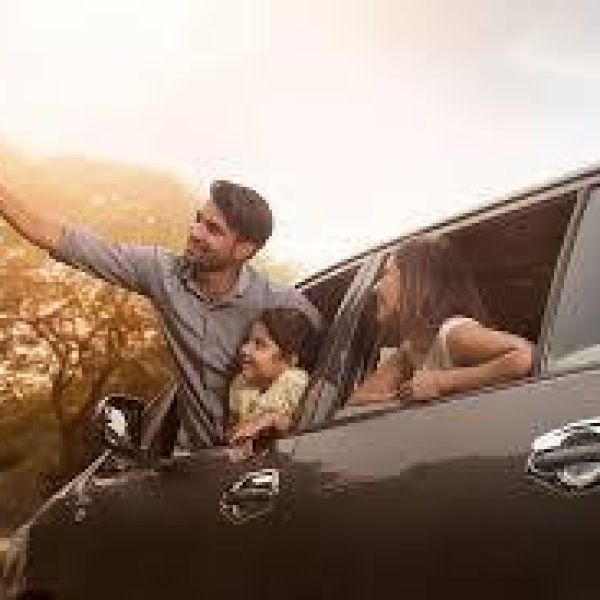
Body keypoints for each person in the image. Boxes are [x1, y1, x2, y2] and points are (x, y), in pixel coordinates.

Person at [0, 177, 321, 449]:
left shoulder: (283, 306)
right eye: (198, 219)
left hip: (262, 467)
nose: (195, 232)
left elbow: (329, 379)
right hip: (197, 465)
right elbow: (63, 239)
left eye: (213, 229)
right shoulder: (162, 273)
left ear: (244, 249)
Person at [349, 235, 532, 405]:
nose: (375, 287)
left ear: (415, 281)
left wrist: (442, 382)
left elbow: (526, 355)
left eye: (386, 274)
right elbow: (356, 402)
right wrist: (401, 395)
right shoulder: (413, 348)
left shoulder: (453, 335)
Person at [226, 306, 321, 454]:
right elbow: (233, 428)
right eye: (247, 341)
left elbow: (311, 430)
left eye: (259, 344)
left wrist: (273, 419)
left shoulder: (296, 382)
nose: (244, 349)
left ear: (289, 359)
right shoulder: (240, 384)